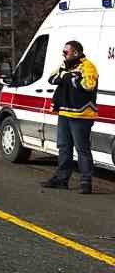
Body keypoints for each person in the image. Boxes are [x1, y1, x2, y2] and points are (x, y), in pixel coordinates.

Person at [42, 39, 99, 193]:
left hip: (81, 115)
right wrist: (68, 76)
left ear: (75, 52)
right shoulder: (65, 65)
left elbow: (88, 85)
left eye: (65, 52)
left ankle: (86, 182)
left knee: (82, 149)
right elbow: (52, 78)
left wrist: (68, 77)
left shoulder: (88, 66)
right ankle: (62, 179)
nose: (63, 54)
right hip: (65, 112)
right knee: (64, 147)